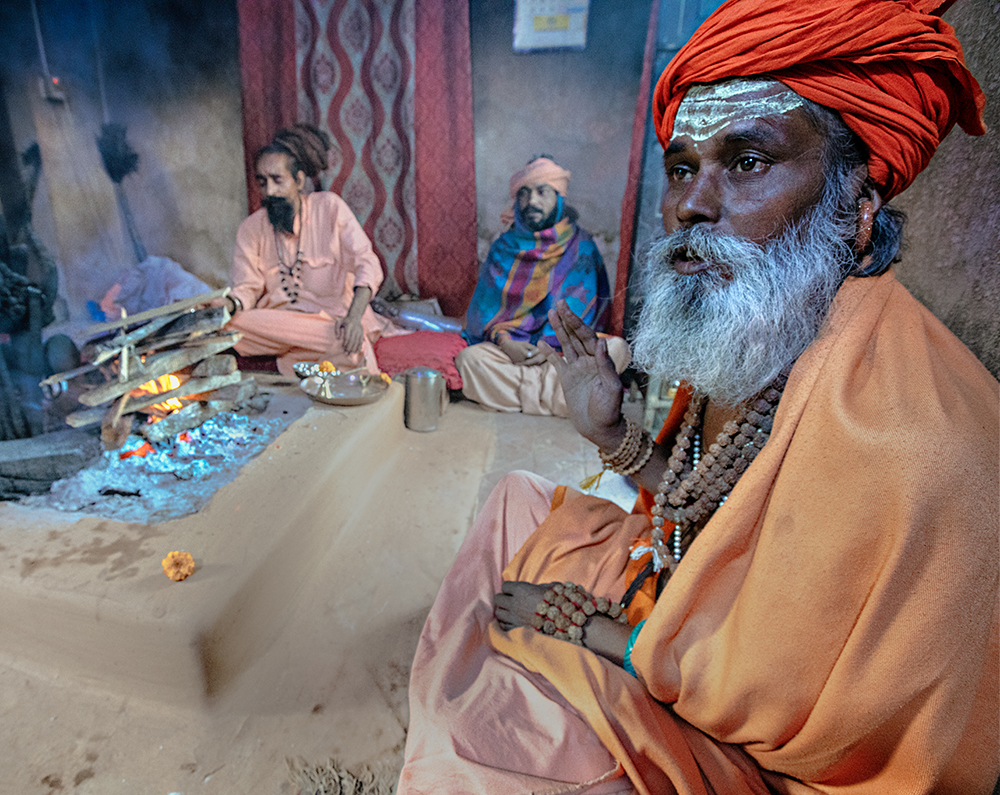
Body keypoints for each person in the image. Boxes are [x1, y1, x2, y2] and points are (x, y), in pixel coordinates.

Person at [397, 2, 998, 793]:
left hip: (755, 726)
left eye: (746, 161)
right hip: (685, 601)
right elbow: (712, 508)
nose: (690, 204)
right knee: (515, 497)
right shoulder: (771, 321)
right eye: (683, 167)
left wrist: (589, 626)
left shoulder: (897, 431)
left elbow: (790, 701)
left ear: (855, 210)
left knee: (499, 739)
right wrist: (612, 434)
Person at [457, 156, 630, 416]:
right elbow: (485, 314)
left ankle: (521, 397)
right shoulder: (503, 247)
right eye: (524, 194)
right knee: (470, 360)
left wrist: (547, 346)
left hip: (562, 352)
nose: (532, 202)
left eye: (542, 192)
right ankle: (562, 401)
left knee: (617, 350)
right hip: (513, 350)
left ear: (559, 197)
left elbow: (582, 314)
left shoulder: (581, 246)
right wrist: (505, 343)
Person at [225, 124, 394, 377]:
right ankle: (320, 351)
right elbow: (247, 288)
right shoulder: (251, 228)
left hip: (336, 320)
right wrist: (229, 303)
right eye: (262, 182)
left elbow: (367, 263)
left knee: (348, 341)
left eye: (277, 180)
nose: (269, 191)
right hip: (280, 324)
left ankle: (317, 352)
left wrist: (354, 318)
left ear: (299, 180)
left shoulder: (330, 208)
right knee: (228, 326)